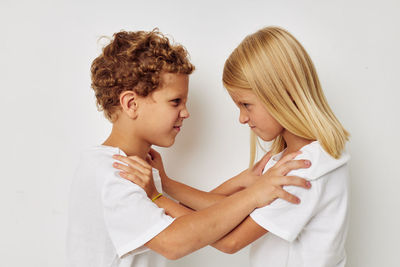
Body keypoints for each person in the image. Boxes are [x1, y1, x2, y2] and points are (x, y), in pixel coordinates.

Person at [66, 29, 311, 267]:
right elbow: (173, 241)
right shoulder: (115, 173)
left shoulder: (137, 167)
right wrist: (254, 195)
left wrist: (241, 183)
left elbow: (194, 219)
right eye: (175, 102)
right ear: (131, 104)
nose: (186, 112)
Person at [114, 26, 350, 267]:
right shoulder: (282, 160)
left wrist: (155, 196)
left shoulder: (307, 168)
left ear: (281, 95)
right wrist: (167, 184)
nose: (242, 118)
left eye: (246, 105)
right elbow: (233, 212)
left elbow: (230, 240)